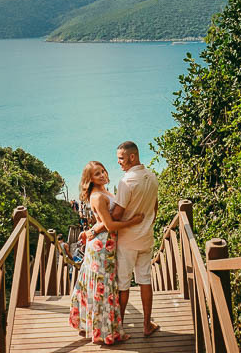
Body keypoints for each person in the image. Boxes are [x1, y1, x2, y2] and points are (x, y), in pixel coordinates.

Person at [68, 161, 144, 345]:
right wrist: (133, 221)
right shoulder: (97, 197)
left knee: (104, 287)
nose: (102, 175)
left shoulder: (104, 191)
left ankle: (98, 328)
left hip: (106, 243)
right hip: (101, 247)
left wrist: (92, 231)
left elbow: (103, 222)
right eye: (96, 174)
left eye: (102, 171)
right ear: (90, 179)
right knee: (104, 288)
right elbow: (109, 225)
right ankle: (107, 333)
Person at [111, 141, 159, 337]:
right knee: (145, 281)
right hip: (146, 239)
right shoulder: (153, 177)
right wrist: (146, 224)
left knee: (123, 284)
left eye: (121, 159)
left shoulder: (127, 181)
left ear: (132, 157)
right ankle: (147, 325)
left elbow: (116, 215)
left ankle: (119, 328)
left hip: (127, 241)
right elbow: (155, 208)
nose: (119, 163)